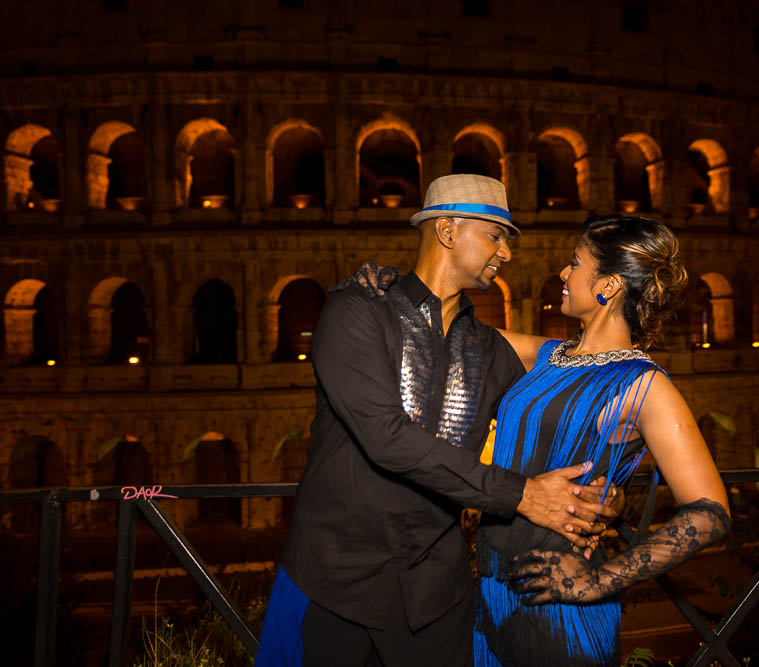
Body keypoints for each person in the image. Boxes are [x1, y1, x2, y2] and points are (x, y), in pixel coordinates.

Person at [255, 174, 619, 667]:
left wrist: (600, 487)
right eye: (496, 236)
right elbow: (386, 438)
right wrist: (527, 496)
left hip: (434, 603)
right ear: (447, 231)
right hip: (332, 589)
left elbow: (579, 377)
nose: (506, 253)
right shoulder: (356, 311)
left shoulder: (491, 349)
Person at [473, 215, 732, 667]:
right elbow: (457, 334)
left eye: (574, 263)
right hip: (488, 594)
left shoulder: (642, 384)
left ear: (609, 286)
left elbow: (710, 513)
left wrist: (599, 580)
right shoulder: (547, 355)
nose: (563, 274)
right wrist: (390, 291)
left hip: (557, 608)